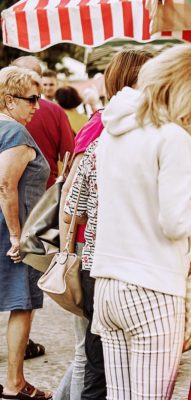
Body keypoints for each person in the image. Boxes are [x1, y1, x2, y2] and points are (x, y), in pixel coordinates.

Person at [92, 44, 191, 399]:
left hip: (109, 285)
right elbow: (176, 223)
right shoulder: (172, 137)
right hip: (151, 287)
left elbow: (134, 193)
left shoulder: (113, 131)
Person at [56, 49, 154, 400]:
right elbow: (71, 196)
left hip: (100, 250)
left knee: (97, 355)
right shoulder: (104, 124)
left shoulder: (117, 124)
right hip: (93, 249)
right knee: (91, 354)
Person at [0, 66, 52, 400]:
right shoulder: (15, 133)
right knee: (22, 304)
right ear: (8, 99)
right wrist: (17, 236)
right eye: (31, 99)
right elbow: (6, 184)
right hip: (11, 232)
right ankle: (14, 383)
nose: (37, 105)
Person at [11, 57, 74, 188]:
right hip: (45, 193)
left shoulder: (5, 111)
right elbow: (69, 159)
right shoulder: (56, 111)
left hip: (9, 192)